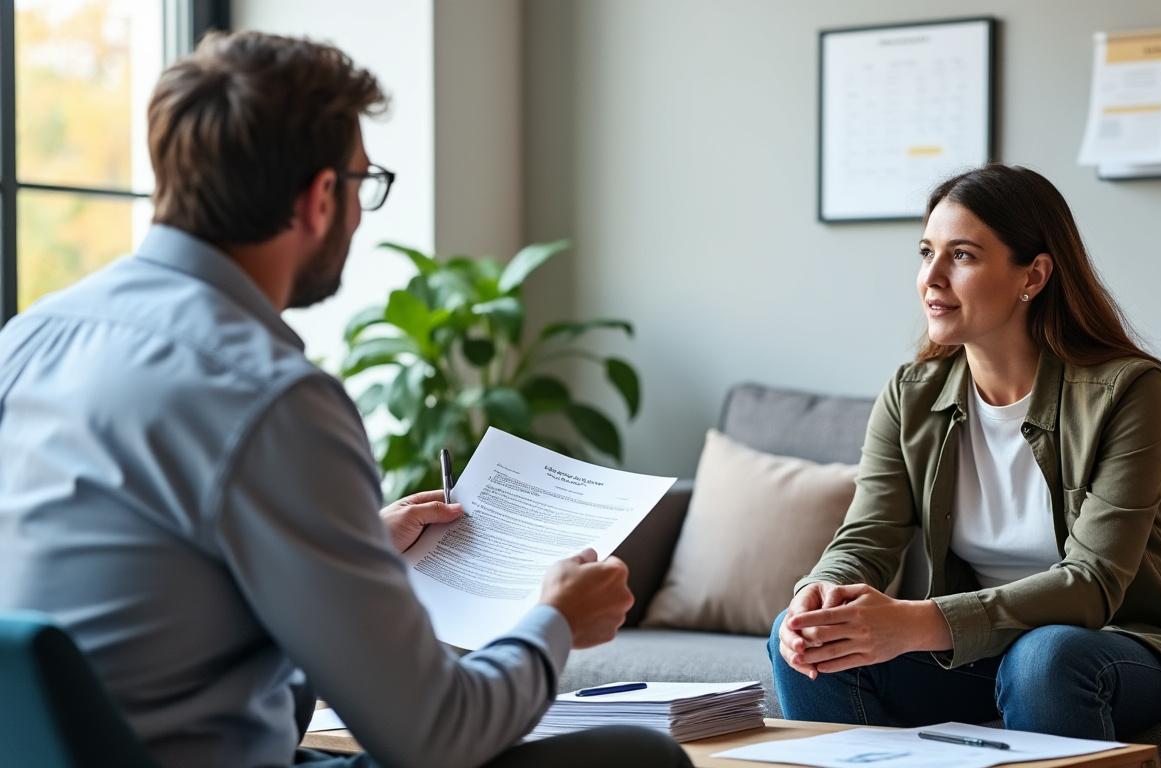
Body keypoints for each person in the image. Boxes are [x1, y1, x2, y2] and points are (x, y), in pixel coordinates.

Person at [0, 31, 689, 768]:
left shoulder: (27, 340)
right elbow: (436, 735)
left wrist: (360, 545)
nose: (362, 212)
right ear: (322, 197)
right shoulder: (268, 396)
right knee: (635, 760)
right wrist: (556, 618)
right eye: (365, 183)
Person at [769, 164, 1161, 741]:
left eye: (963, 256)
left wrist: (915, 622)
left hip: (1127, 645)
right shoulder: (911, 393)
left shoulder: (1127, 390)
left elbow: (1092, 583)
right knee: (809, 639)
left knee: (1044, 658)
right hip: (990, 651)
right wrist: (817, 593)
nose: (931, 277)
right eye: (926, 252)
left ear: (1034, 275)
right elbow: (867, 534)